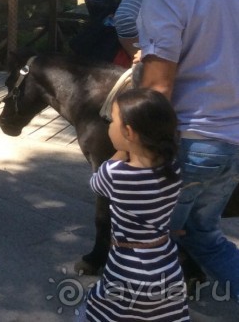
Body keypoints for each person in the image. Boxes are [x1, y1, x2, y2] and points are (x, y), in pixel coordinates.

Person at [137, 0, 239, 300]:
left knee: (147, 241)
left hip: (192, 141)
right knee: (204, 235)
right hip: (233, 142)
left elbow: (159, 86)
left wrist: (135, 152)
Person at [81, 88, 189, 321]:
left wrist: (121, 152)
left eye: (112, 121)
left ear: (129, 132)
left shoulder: (115, 173)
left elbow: (96, 185)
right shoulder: (173, 168)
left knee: (90, 313)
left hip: (125, 271)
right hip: (166, 266)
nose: (108, 125)